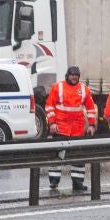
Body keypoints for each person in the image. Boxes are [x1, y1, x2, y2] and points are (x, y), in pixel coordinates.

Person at [46, 65, 98, 193]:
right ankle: (54, 181)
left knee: (78, 157)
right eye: (72, 75)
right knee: (57, 156)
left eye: (76, 75)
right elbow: (49, 106)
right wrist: (52, 123)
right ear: (67, 75)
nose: (74, 77)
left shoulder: (84, 89)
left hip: (78, 129)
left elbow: (91, 108)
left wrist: (91, 125)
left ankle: (77, 183)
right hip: (60, 128)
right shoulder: (58, 87)